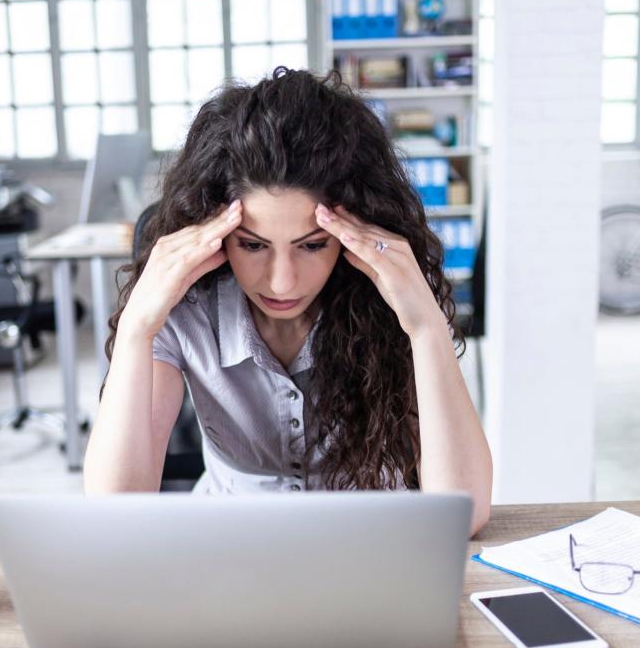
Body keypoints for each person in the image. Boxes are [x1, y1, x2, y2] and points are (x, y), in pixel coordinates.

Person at [84, 67, 492, 536]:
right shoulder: (188, 308)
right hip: (228, 552)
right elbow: (113, 514)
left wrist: (425, 328)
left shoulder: (388, 296)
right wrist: (138, 327)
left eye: (313, 245)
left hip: (370, 550)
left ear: (352, 231)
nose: (281, 283)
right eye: (253, 245)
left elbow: (466, 515)